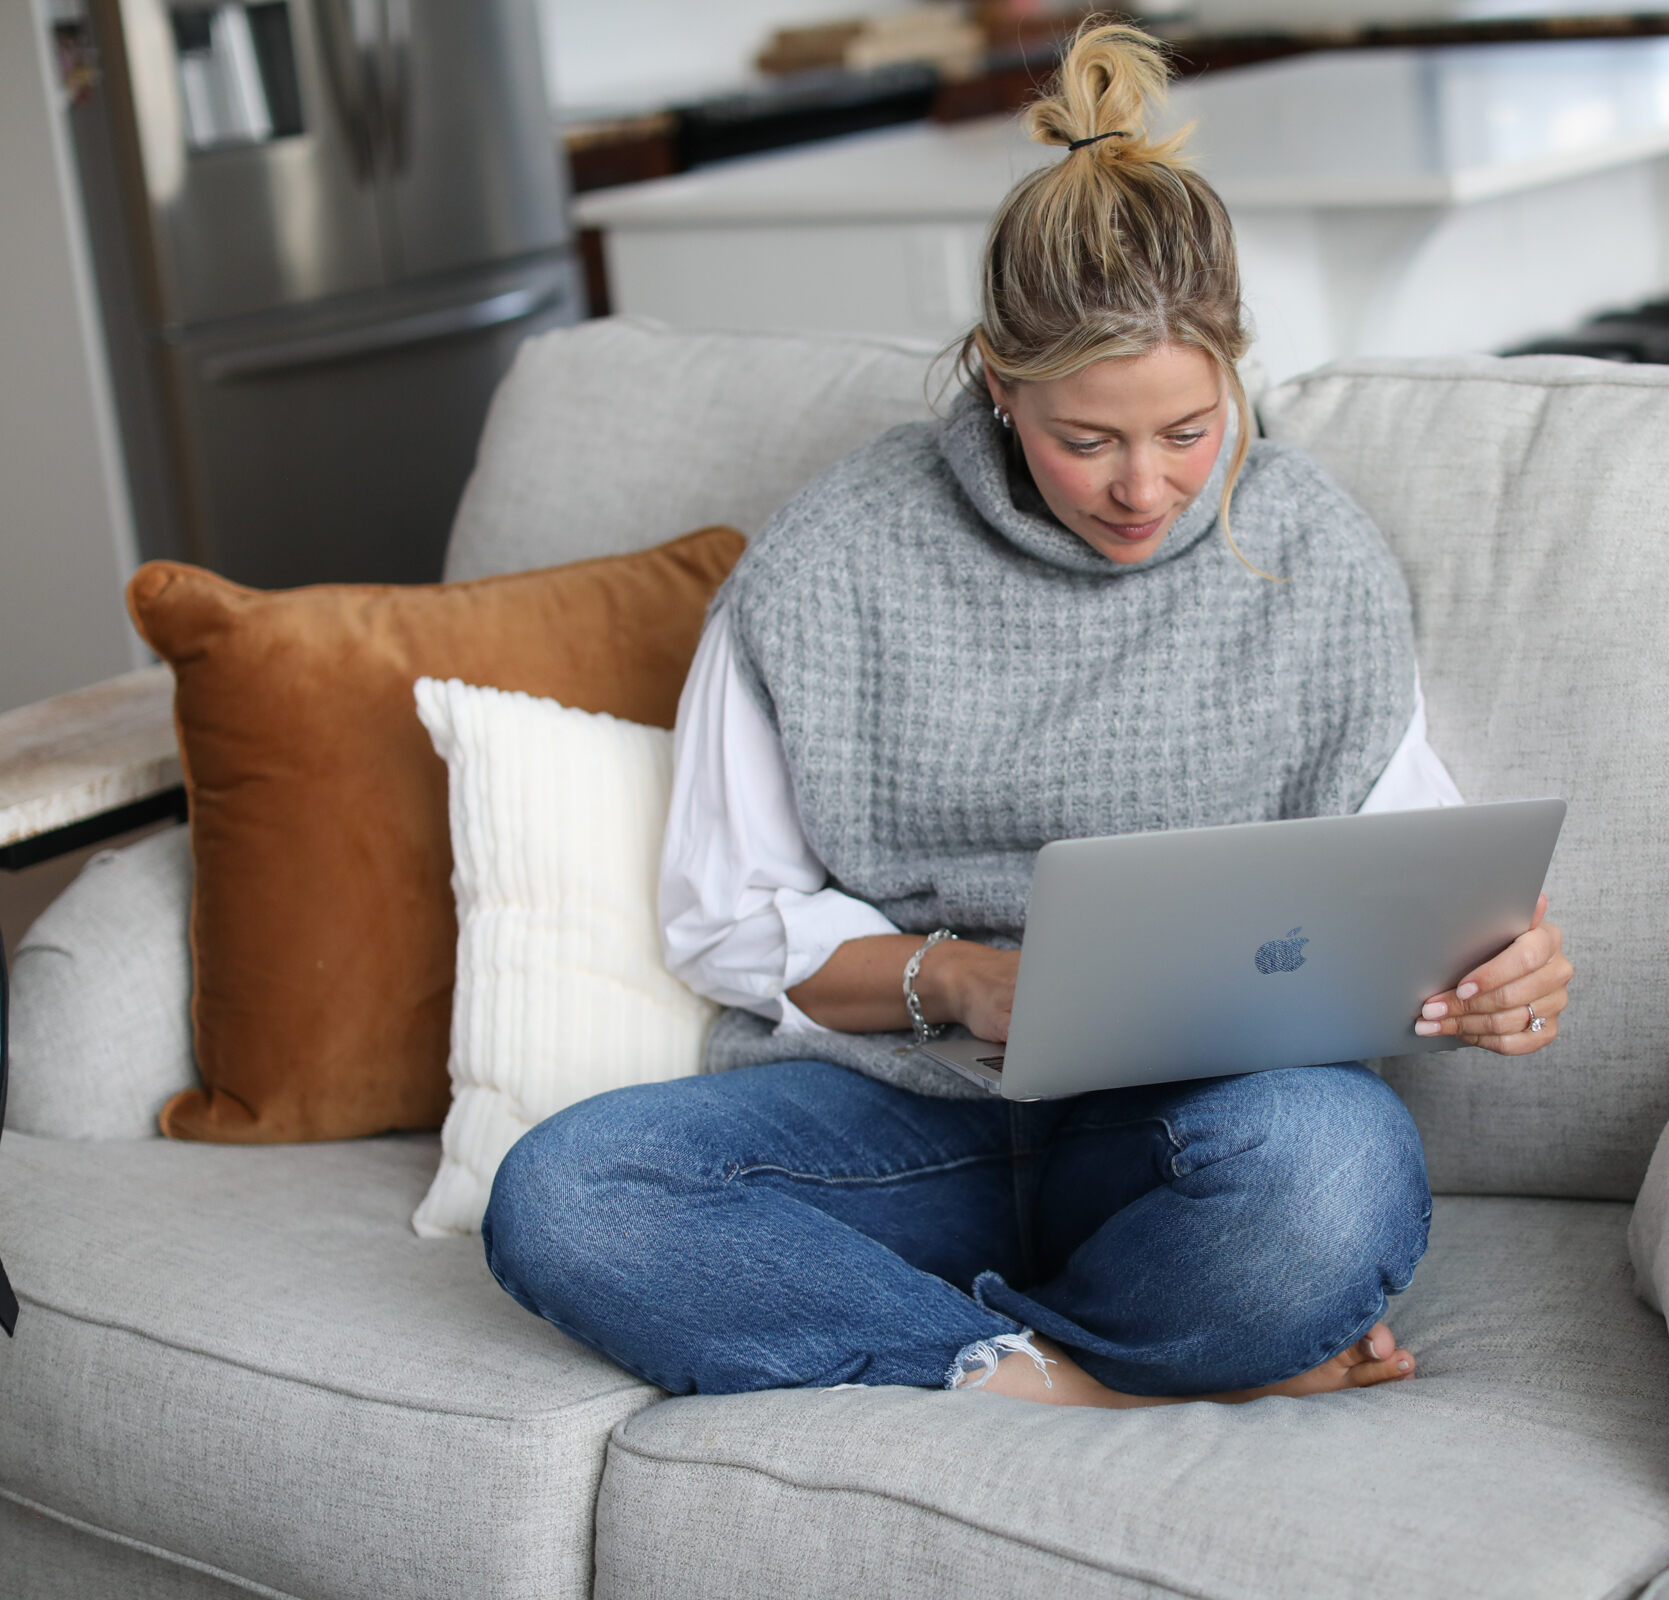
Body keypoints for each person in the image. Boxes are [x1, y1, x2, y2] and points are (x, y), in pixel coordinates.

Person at [481, 21, 1573, 1409]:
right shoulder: (833, 561)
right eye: (1087, 440)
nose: (1144, 488)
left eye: (1187, 431)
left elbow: (1399, 865)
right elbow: (721, 915)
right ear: (999, 383)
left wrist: (1500, 970)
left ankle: (978, 1339)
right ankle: (1072, 1377)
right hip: (897, 1120)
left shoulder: (1315, 556)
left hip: (1190, 1131)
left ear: (1232, 374)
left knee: (1333, 1172)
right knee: (568, 1191)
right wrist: (968, 981)